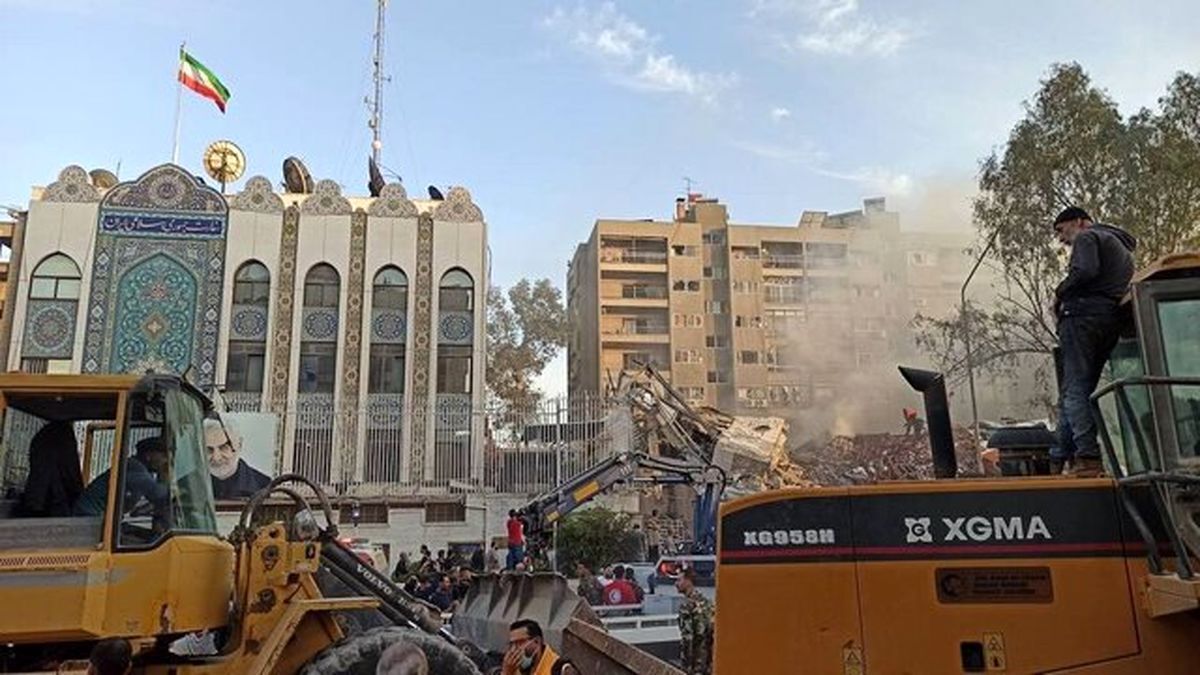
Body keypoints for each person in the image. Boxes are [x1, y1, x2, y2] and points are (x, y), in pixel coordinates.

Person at [1051, 206, 1137, 477]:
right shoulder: (1121, 249)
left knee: (1075, 390)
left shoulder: (1088, 237)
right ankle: (1058, 456)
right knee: (1076, 390)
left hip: (1082, 317)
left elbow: (1085, 271)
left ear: (1078, 222)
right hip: (1107, 320)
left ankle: (1087, 456)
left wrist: (1059, 293)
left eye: (1061, 230)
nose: (1061, 239)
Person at [74, 437, 170, 518]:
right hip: (88, 516)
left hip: (97, 516)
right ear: (149, 455)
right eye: (164, 456)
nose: (167, 461)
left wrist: (145, 509)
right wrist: (167, 475)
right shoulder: (134, 467)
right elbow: (159, 494)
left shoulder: (140, 470)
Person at [18, 420, 83, 517]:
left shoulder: (43, 436)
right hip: (55, 502)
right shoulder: (63, 435)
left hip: (34, 501)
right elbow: (70, 472)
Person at [204, 415, 271, 500]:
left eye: (224, 448)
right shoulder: (189, 486)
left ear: (239, 445)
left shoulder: (264, 487)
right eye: (209, 450)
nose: (216, 457)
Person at [502, 619, 578, 675]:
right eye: (512, 644)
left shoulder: (561, 670)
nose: (515, 649)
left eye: (520, 643)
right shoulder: (518, 670)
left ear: (537, 641)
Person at [676, 567, 714, 675]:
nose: (676, 584)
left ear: (688, 581)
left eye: (679, 580)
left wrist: (686, 666)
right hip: (706, 663)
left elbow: (688, 639)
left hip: (694, 664)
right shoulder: (706, 603)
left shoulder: (687, 606)